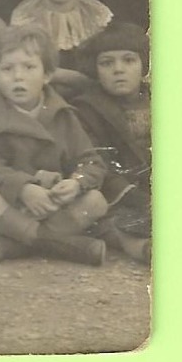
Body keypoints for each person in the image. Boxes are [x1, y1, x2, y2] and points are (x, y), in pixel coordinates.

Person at [0, 25, 110, 266]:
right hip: (11, 206)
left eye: (29, 67)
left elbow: (91, 161)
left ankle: (14, 246)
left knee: (96, 201)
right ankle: (57, 244)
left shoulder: (63, 114)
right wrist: (24, 188)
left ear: (46, 74)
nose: (18, 76)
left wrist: (75, 183)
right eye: (7, 69)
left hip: (52, 206)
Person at [67, 22, 151, 263]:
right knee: (115, 223)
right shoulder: (88, 108)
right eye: (107, 63)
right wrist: (138, 198)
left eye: (129, 61)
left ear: (143, 64)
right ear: (95, 69)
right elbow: (99, 162)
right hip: (121, 195)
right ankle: (146, 249)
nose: (118, 70)